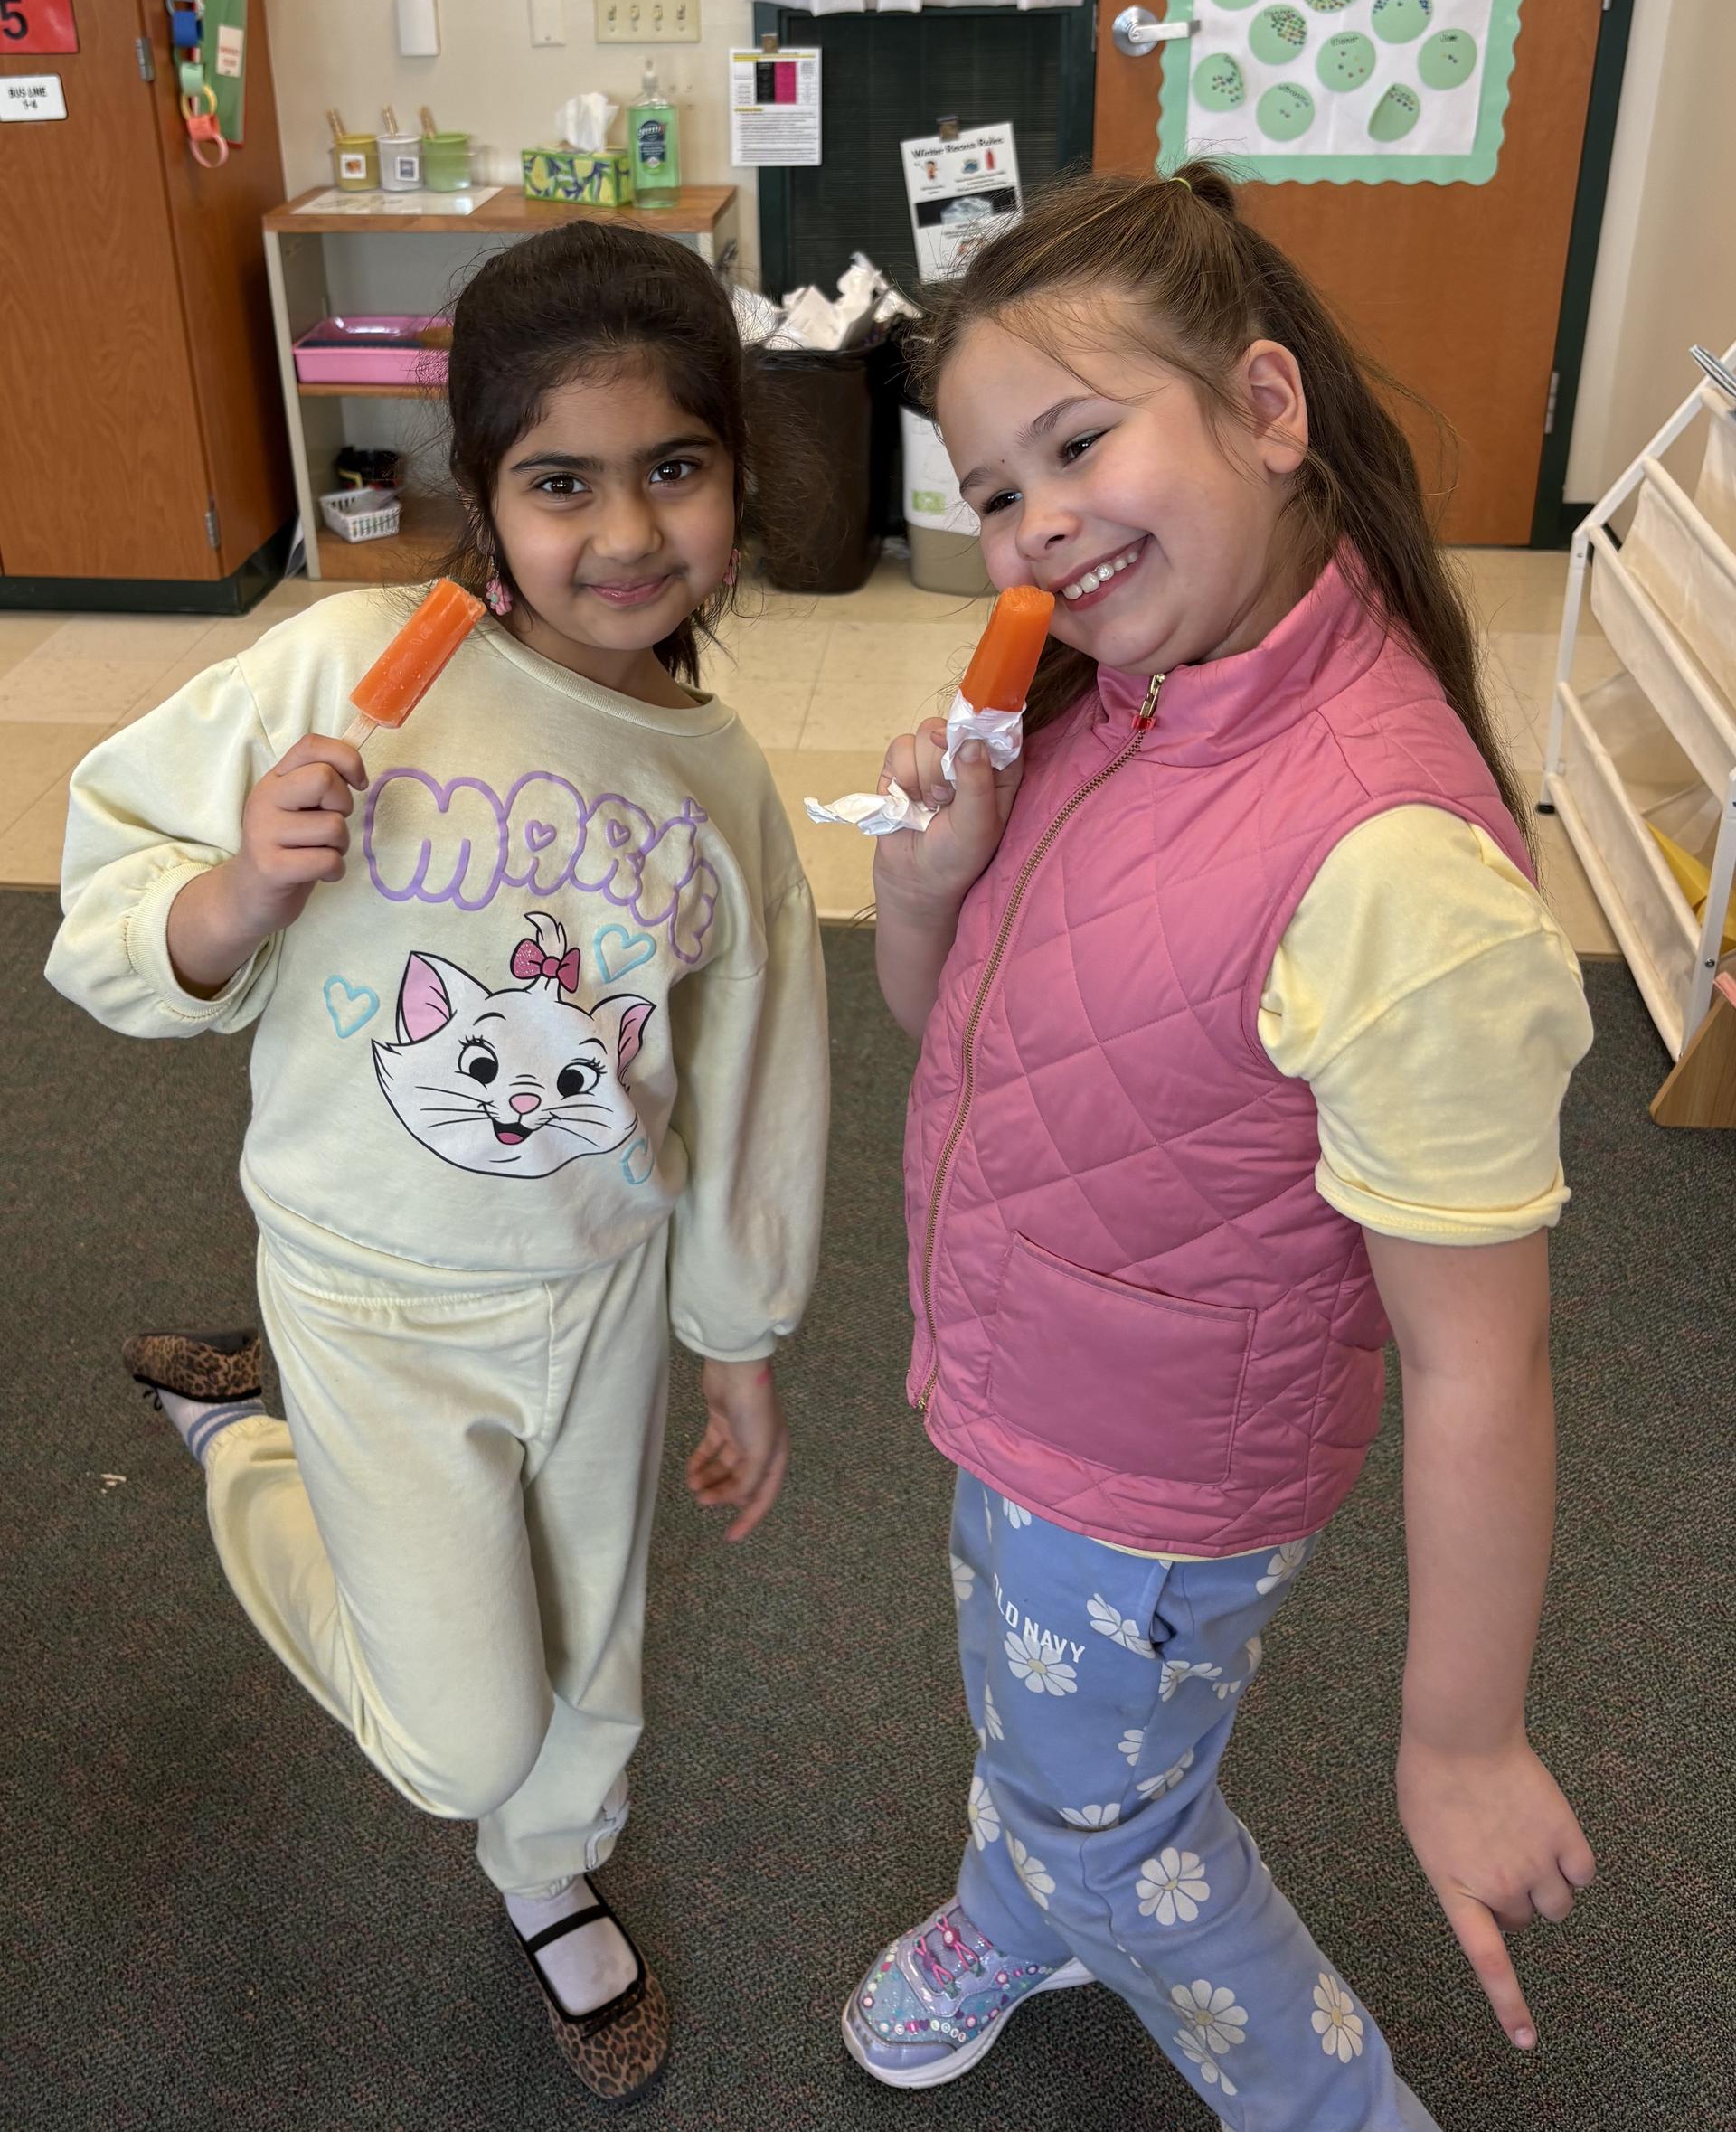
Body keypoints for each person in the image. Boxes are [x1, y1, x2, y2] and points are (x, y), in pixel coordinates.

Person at [841, 166, 1596, 2129]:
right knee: (1051, 1729)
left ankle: (1312, 2082)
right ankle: (1029, 1898)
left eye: (1083, 442)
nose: (1039, 523)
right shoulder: (1130, 695)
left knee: (1124, 1816)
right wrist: (930, 877)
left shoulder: (1390, 870)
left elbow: (1480, 1354)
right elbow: (962, 1032)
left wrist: (1462, 1740)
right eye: (997, 487)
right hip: (1039, 1387)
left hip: (1152, 1471)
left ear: (1270, 409)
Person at [48, 220, 827, 2103]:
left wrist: (739, 1333)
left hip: (604, 1292)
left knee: (597, 1653)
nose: (626, 533)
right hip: (369, 1296)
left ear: (735, 473)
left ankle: (551, 1877)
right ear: (481, 495)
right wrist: (236, 887)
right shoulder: (334, 672)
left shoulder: (718, 779)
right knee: (461, 1732)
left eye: (675, 469)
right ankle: (247, 1446)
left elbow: (754, 1076)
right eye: (562, 482)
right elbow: (102, 912)